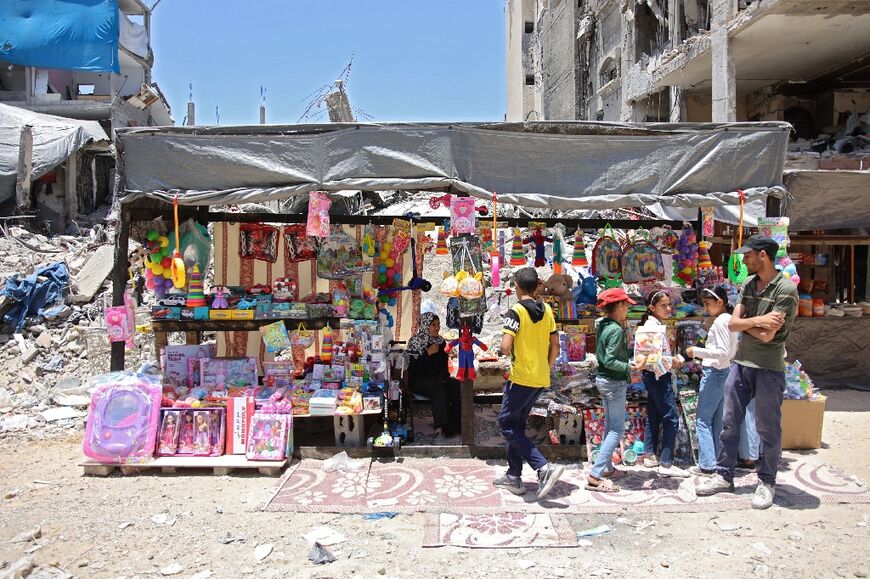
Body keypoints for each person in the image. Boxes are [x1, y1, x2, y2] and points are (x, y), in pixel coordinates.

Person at [696, 235, 799, 509]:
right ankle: (723, 475)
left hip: (768, 367)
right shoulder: (748, 285)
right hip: (741, 364)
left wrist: (747, 324)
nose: (744, 260)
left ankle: (767, 480)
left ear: (762, 255)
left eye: (748, 255)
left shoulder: (785, 290)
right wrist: (759, 320)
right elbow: (732, 324)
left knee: (767, 427)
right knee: (730, 423)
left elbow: (767, 336)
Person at [493, 267, 564, 499]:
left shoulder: (516, 311)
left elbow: (505, 346)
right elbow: (556, 346)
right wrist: (546, 366)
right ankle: (514, 476)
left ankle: (543, 467)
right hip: (539, 376)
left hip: (521, 376)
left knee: (506, 424)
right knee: (517, 425)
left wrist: (506, 352)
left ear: (516, 286)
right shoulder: (547, 311)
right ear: (536, 287)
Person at [586, 288, 636, 493]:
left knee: (609, 426)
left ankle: (606, 467)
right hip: (614, 382)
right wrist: (629, 367)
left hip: (604, 381)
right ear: (620, 306)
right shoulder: (615, 329)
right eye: (626, 306)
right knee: (616, 430)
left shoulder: (604, 325)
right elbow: (608, 359)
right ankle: (595, 475)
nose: (627, 310)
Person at [686, 286, 738, 476]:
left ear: (720, 302)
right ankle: (715, 459)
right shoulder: (726, 320)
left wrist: (696, 351)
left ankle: (707, 464)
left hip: (716, 372)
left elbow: (724, 352)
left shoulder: (721, 322)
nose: (706, 308)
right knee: (715, 420)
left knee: (703, 420)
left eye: (708, 304)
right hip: (722, 371)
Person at [638, 290, 688, 478]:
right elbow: (653, 359)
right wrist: (672, 361)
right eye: (663, 305)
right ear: (652, 308)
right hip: (658, 376)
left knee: (654, 414)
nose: (668, 308)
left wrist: (668, 359)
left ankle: (650, 455)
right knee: (670, 418)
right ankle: (666, 463)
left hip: (654, 375)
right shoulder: (653, 327)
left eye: (669, 304)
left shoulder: (654, 325)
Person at [407, 312, 461, 437]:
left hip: (436, 378)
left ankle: (454, 425)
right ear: (425, 326)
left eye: (438, 324)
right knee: (438, 388)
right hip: (418, 380)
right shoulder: (415, 342)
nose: (437, 328)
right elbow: (413, 369)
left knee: (456, 385)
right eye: (433, 325)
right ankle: (440, 426)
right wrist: (428, 353)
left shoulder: (440, 342)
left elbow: (443, 365)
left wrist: (444, 376)